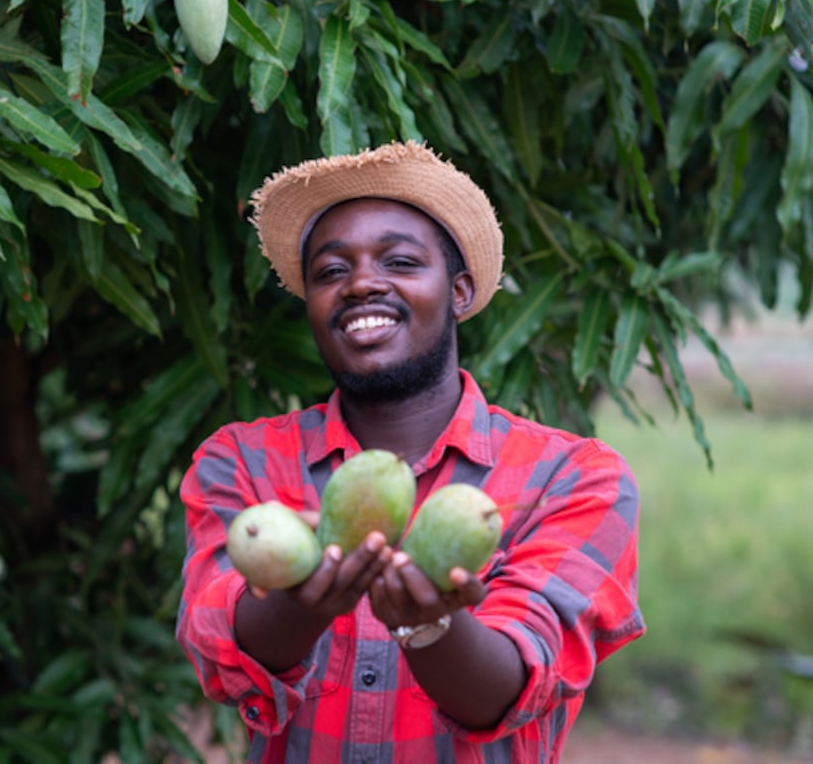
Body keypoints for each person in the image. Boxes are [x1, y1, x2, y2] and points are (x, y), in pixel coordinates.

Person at [175, 141, 644, 762]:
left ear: (458, 292)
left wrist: (430, 626)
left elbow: (512, 689)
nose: (362, 283)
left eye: (398, 261)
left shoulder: (575, 478)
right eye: (331, 271)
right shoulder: (242, 462)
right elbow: (218, 647)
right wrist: (299, 600)